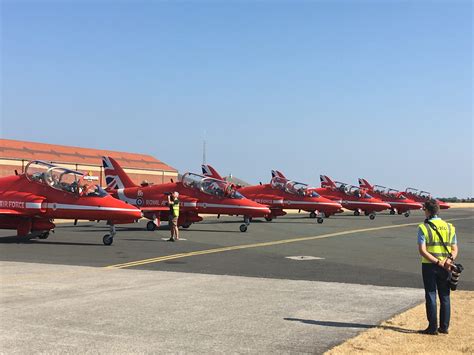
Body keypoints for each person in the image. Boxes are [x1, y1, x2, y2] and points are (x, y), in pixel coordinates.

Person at [417, 199, 458, 335]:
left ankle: (432, 327)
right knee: (445, 296)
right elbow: (454, 249)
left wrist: (437, 262)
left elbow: (423, 250)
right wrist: (448, 260)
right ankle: (444, 327)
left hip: (429, 265)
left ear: (427, 211)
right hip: (446, 266)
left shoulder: (423, 227)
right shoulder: (449, 227)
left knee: (431, 294)